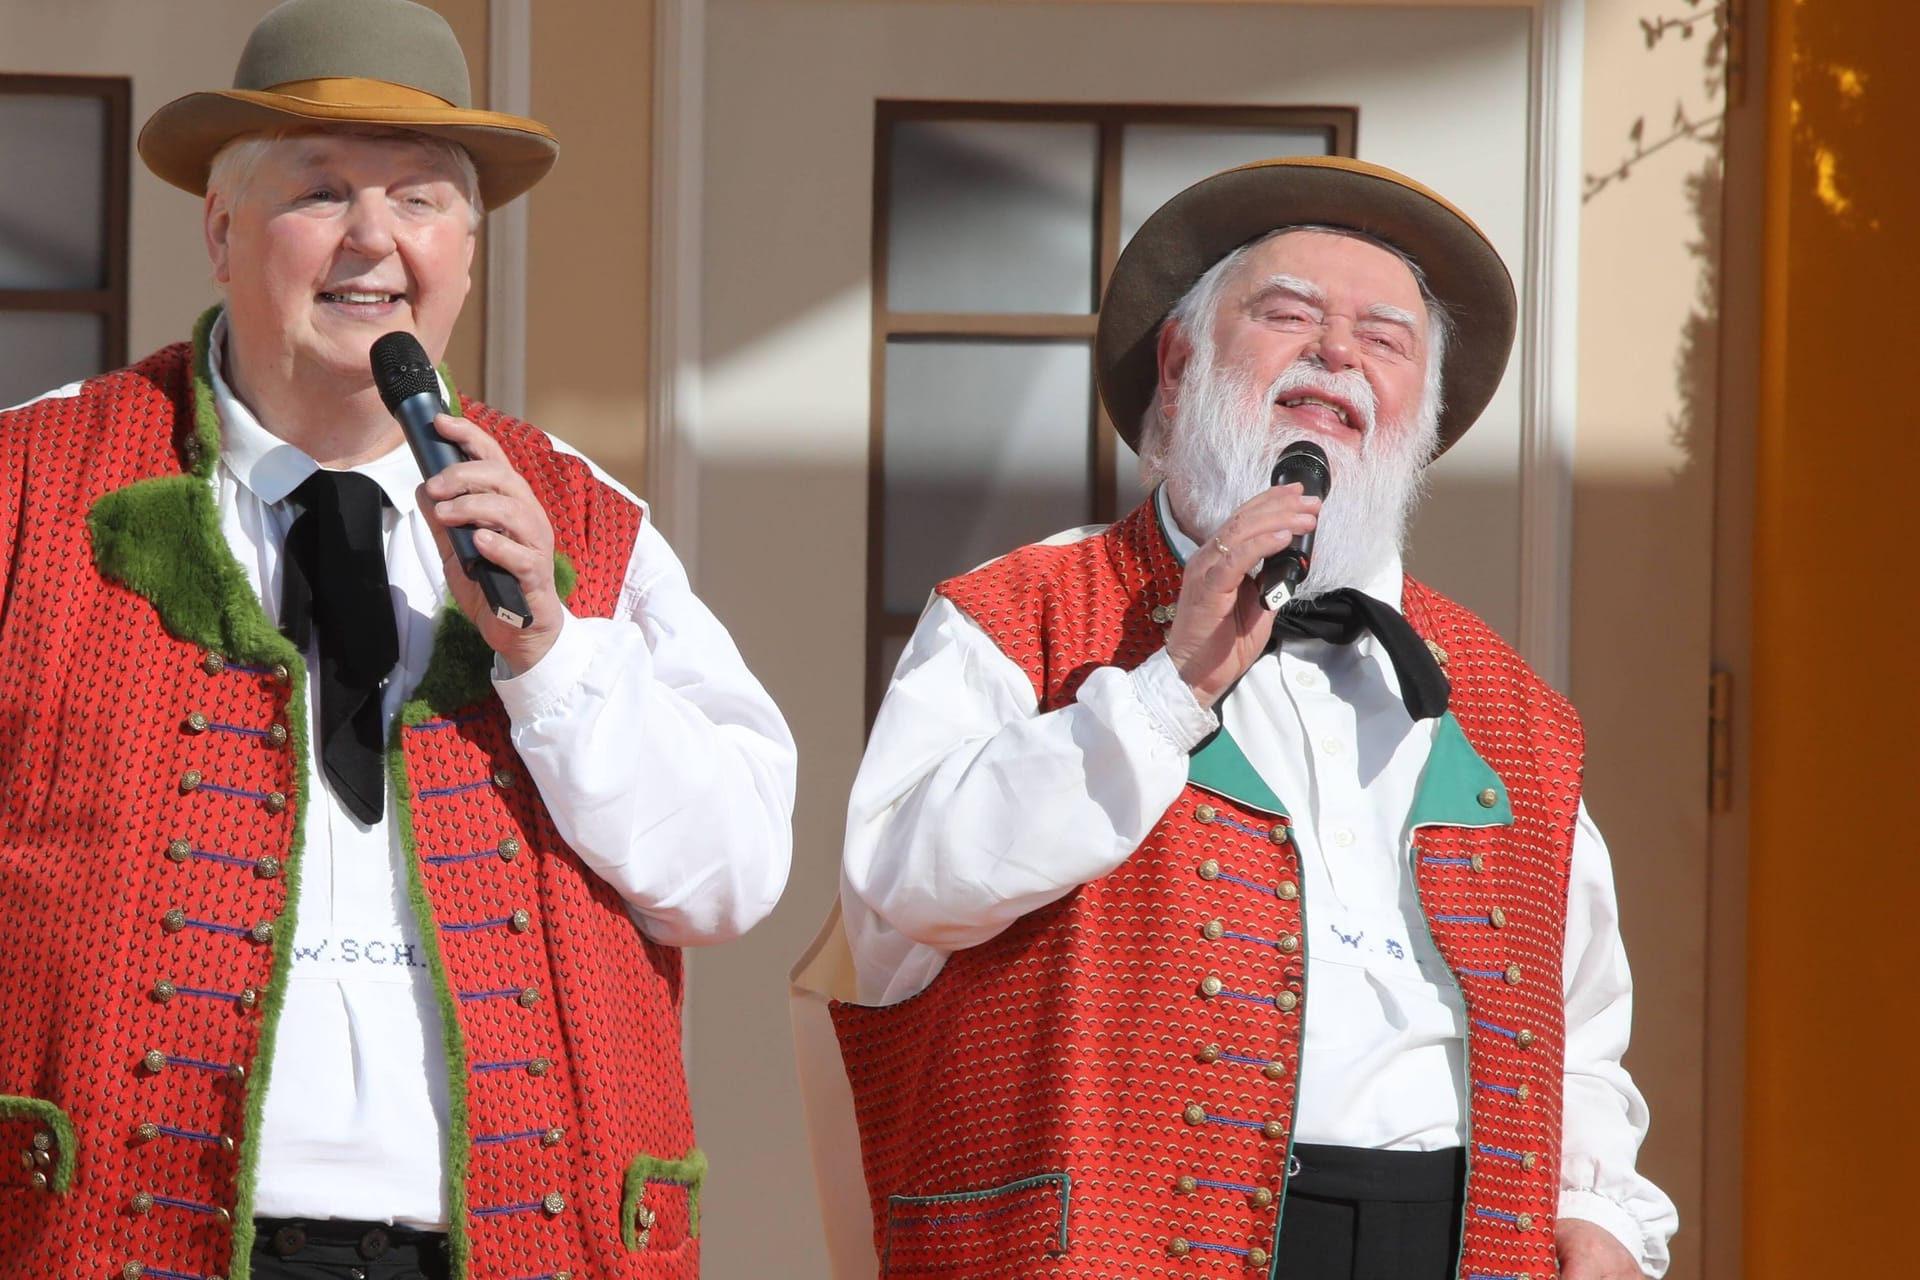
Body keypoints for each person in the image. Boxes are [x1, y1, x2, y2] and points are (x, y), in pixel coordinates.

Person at [0, 2, 794, 1278]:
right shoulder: (29, 486)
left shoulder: (591, 521)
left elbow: (732, 871)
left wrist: (555, 658)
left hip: (502, 1245)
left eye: (421, 201)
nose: (375, 238)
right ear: (220, 229)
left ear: (465, 258)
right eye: (320, 192)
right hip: (118, 1233)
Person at [821, 157, 1676, 1280]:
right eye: (1289, 315)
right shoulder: (1013, 614)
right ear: (1179, 365)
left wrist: (1599, 1208)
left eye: (1386, 337)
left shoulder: (1515, 704)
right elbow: (897, 888)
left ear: (1422, 411)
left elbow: (1581, 1019)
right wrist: (1164, 692)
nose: (1339, 353)